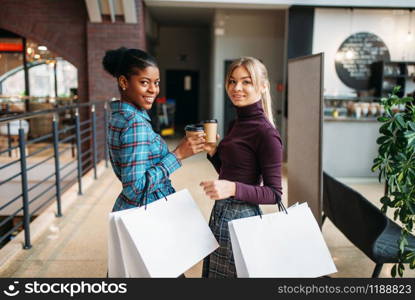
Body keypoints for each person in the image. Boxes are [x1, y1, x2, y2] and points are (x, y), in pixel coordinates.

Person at [200, 57, 283, 278]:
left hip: (242, 219)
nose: (237, 88)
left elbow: (274, 194)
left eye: (246, 82)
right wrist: (213, 152)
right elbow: (232, 172)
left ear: (263, 87)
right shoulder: (236, 123)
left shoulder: (266, 133)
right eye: (232, 81)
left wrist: (233, 188)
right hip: (221, 213)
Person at [103, 47, 205, 212]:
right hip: (149, 210)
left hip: (138, 208)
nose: (153, 90)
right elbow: (135, 190)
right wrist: (178, 154)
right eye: (144, 82)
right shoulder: (135, 124)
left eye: (156, 83)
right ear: (123, 82)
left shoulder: (119, 116)